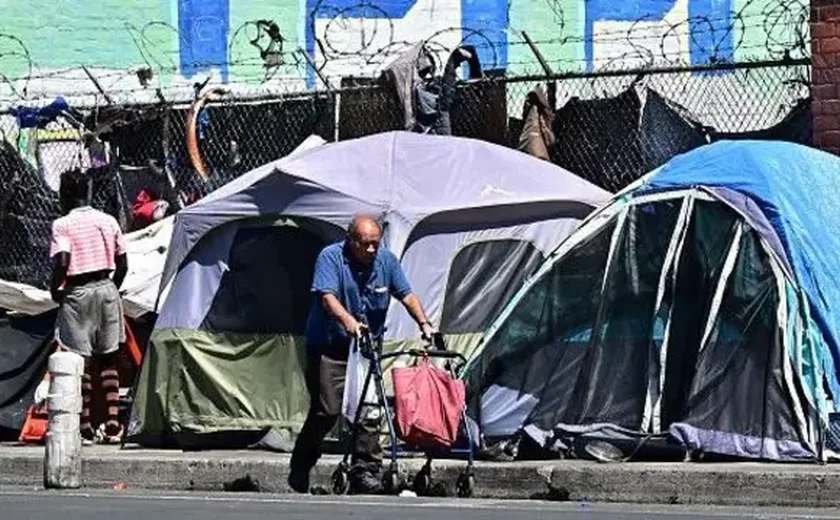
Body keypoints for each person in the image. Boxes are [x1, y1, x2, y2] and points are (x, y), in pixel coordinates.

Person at [289, 213, 436, 494]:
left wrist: (424, 324)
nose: (370, 250)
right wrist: (349, 323)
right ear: (350, 241)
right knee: (326, 410)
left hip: (367, 349)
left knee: (368, 411)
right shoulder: (331, 257)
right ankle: (302, 463)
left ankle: (365, 472)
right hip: (330, 347)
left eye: (375, 244)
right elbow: (327, 297)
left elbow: (406, 294)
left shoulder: (386, 261)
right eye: (364, 244)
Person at [49, 168, 128, 444]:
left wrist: (54, 290)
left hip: (78, 292)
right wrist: (111, 289)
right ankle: (113, 425)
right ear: (88, 192)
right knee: (108, 361)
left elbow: (62, 262)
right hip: (106, 288)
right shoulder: (108, 221)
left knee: (80, 361)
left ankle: (83, 428)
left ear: (65, 195)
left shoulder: (62, 225)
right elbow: (122, 263)